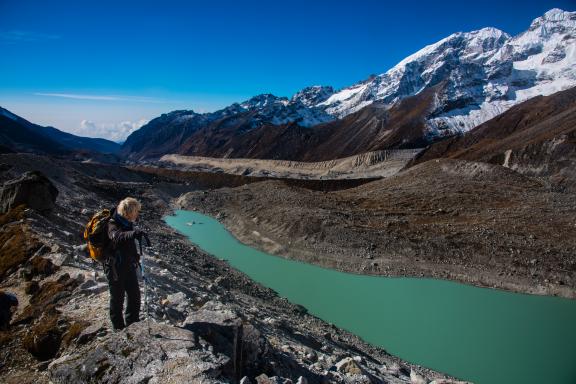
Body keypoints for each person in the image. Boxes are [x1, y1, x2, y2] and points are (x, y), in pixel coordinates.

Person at [105, 197, 146, 330]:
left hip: (128, 265)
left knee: (134, 295)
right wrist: (133, 234)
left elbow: (127, 243)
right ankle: (118, 327)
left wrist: (135, 256)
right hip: (115, 267)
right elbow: (117, 237)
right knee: (117, 298)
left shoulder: (126, 222)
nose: (138, 214)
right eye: (136, 211)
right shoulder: (113, 223)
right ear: (130, 212)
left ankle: (133, 323)